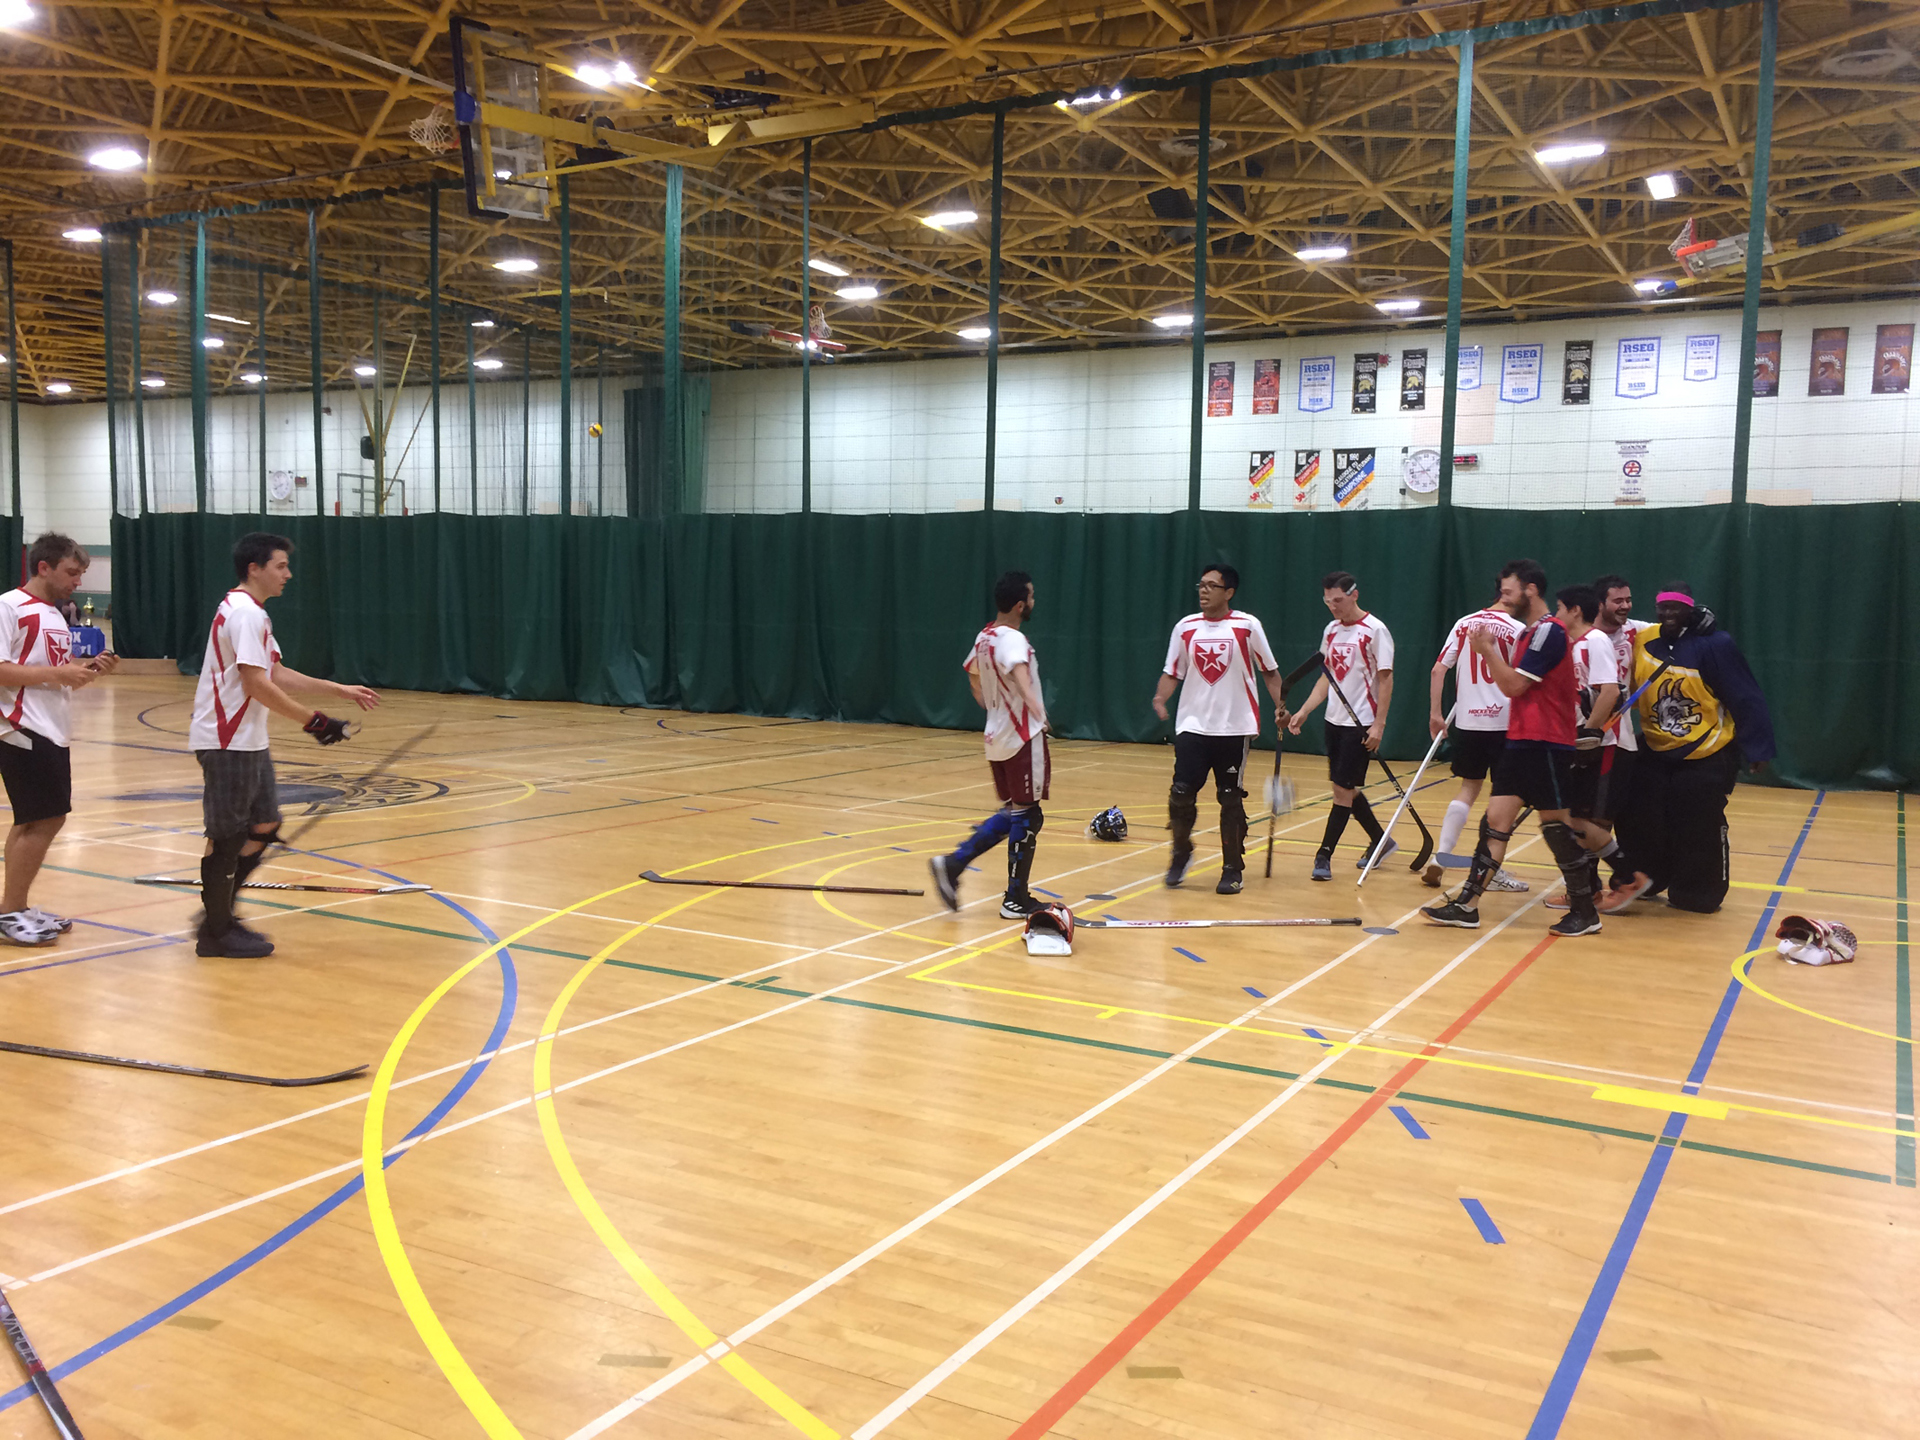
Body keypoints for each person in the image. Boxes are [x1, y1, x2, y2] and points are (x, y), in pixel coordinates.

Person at [190, 532, 379, 958]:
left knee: (264, 824)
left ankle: (219, 915)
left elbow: (274, 672)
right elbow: (255, 683)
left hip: (247, 740)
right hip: (227, 740)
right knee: (227, 835)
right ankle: (215, 931)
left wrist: (338, 690)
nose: (288, 574)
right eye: (280, 566)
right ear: (254, 569)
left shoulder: (252, 612)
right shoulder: (245, 614)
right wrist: (314, 721)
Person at [1420, 564, 1611, 937]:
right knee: (1494, 822)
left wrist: (1487, 650)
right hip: (1521, 741)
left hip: (1546, 743)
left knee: (1556, 827)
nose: (1502, 599)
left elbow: (1513, 687)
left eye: (1509, 593)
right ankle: (1467, 906)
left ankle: (1586, 910)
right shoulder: (1528, 634)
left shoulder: (1548, 633)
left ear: (1531, 590)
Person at [1618, 581, 1775, 914]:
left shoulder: (1715, 644)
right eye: (1663, 607)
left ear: (1690, 609)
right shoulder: (1644, 639)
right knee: (1642, 816)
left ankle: (1698, 892)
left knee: (1698, 824)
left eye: (1676, 607)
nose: (1668, 613)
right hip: (1656, 747)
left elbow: (1745, 696)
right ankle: (1646, 879)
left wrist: (1758, 747)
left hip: (1706, 751)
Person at [0, 533, 120, 946]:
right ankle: (10, 911)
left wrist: (86, 669)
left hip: (51, 726)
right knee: (45, 818)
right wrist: (58, 672)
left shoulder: (55, 615)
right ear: (43, 567)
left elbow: (52, 674)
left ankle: (14, 906)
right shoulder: (10, 607)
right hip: (20, 726)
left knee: (34, 820)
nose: (77, 582)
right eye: (71, 572)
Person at [1151, 564, 1290, 894]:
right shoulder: (1185, 627)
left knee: (1229, 797)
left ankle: (1232, 867)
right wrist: (1160, 698)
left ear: (1229, 592)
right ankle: (1181, 853)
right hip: (1193, 725)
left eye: (1212, 585)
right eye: (1201, 584)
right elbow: (1173, 671)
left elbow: (1269, 671)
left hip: (1235, 726)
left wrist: (1281, 706)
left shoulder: (1247, 626)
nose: (1203, 590)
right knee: (1181, 793)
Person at [929, 570, 1051, 919]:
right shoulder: (1013, 639)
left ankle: (953, 864)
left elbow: (972, 673)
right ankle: (1015, 899)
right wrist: (1038, 713)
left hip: (996, 736)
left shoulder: (985, 637)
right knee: (1028, 814)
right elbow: (1021, 679)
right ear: (1020, 604)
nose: (1033, 601)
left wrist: (990, 704)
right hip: (1022, 737)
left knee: (1016, 810)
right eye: (1031, 596)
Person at [1545, 574, 1651, 912]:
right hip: (1586, 742)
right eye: (1618, 600)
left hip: (1610, 742)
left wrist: (1591, 732)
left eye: (1559, 608)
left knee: (1592, 820)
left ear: (1575, 610)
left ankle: (1627, 878)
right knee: (1576, 818)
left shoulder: (1597, 641)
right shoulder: (1574, 644)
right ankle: (1589, 889)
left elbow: (1610, 691)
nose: (1556, 614)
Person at [1288, 571, 1394, 881]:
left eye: (1338, 600)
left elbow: (1386, 679)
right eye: (1327, 601)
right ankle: (1381, 841)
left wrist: (1379, 725)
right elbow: (1327, 677)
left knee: (1341, 792)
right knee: (1345, 788)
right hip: (1333, 720)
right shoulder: (1331, 630)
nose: (1333, 607)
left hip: (1360, 722)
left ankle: (1324, 855)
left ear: (1354, 595)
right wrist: (1305, 710)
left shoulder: (1375, 631)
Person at [1425, 587, 1529, 893]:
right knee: (1502, 799)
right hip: (1504, 722)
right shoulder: (1518, 629)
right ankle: (1490, 870)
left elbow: (1438, 670)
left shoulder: (1464, 623)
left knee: (1468, 789)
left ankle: (1441, 856)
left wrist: (1435, 714)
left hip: (1469, 721)